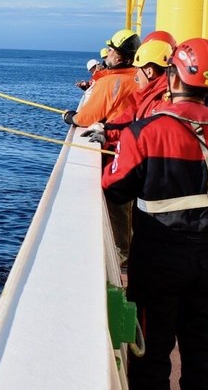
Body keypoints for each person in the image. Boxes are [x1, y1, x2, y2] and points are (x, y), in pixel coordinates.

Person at [102, 38, 208, 390]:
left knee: (151, 356)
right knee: (203, 354)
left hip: (157, 262)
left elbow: (115, 186)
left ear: (174, 77)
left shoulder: (146, 133)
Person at [66, 28, 141, 262]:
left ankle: (123, 255)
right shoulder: (137, 77)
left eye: (111, 50)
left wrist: (69, 117)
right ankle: (129, 250)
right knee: (131, 204)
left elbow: (85, 117)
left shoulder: (112, 83)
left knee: (117, 203)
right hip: (133, 145)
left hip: (116, 147)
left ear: (120, 57)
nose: (106, 53)